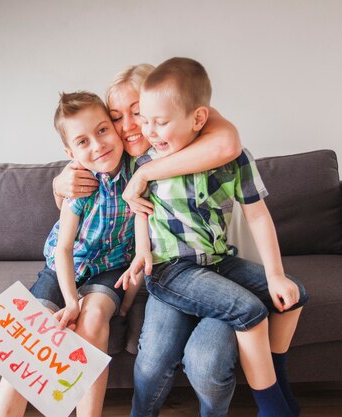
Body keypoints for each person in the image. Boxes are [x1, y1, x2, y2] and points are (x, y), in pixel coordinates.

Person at [117, 57, 309, 417]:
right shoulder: (145, 166)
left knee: (293, 295)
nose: (150, 132)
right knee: (249, 311)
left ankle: (280, 383)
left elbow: (258, 215)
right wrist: (142, 254)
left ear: (198, 119)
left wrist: (276, 275)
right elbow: (140, 215)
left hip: (217, 262)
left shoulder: (233, 157)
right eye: (147, 121)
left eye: (160, 123)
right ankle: (273, 408)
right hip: (170, 270)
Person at [54, 64, 244, 417]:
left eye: (137, 113)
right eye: (116, 117)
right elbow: (85, 188)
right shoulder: (118, 157)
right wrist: (58, 184)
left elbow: (229, 142)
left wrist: (145, 173)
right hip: (164, 277)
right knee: (152, 360)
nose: (127, 126)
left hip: (215, 270)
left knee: (207, 366)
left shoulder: (189, 138)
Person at [0, 91, 141, 417]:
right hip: (64, 265)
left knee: (94, 318)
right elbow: (64, 249)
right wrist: (71, 300)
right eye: (83, 141)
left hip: (111, 267)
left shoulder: (138, 168)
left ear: (115, 128)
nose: (98, 145)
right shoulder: (79, 181)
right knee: (31, 332)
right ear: (70, 152)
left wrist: (107, 304)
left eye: (102, 130)